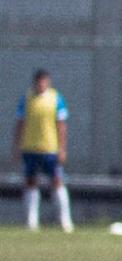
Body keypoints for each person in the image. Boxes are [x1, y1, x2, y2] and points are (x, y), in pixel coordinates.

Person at [15, 69, 71, 232]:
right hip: (30, 147)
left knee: (57, 181)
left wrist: (62, 148)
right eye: (38, 81)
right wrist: (17, 145)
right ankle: (31, 222)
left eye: (44, 81)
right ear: (35, 82)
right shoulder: (26, 99)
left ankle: (65, 221)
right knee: (30, 182)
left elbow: (61, 126)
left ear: (48, 82)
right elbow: (20, 123)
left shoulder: (55, 99)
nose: (41, 84)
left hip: (50, 148)